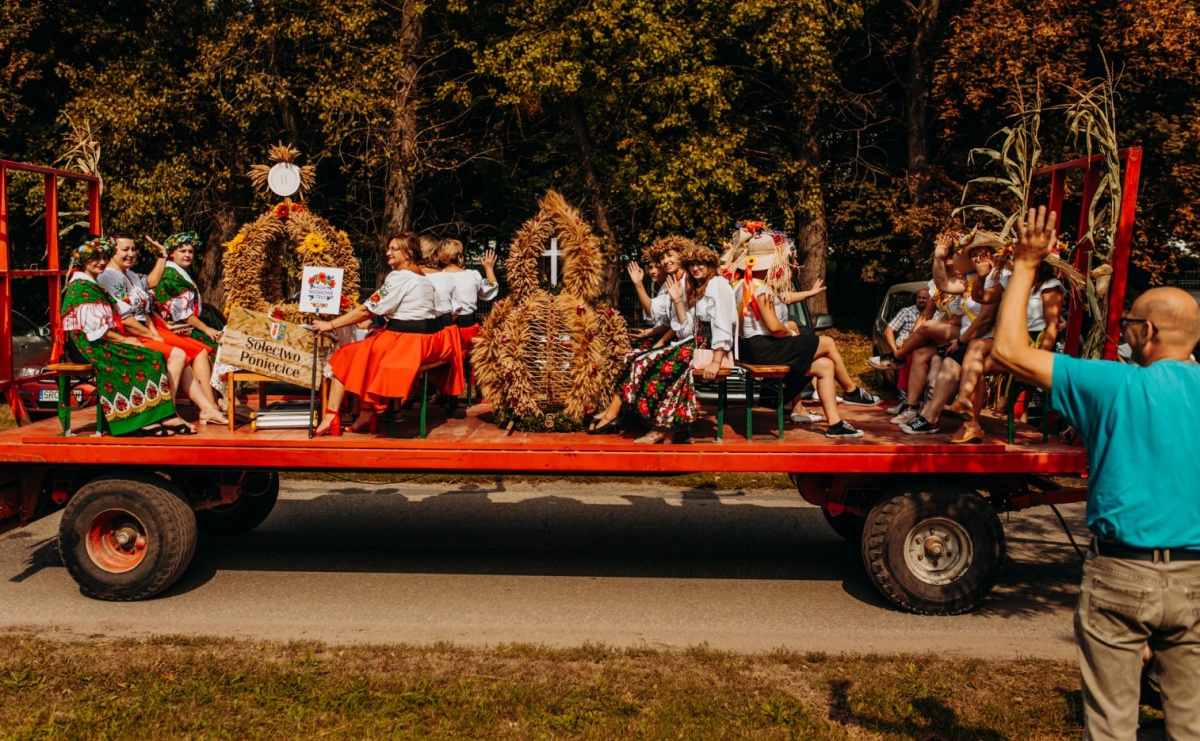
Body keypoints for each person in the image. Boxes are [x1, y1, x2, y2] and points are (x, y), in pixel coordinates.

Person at [993, 206, 1200, 740]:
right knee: (1192, 724)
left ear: (1147, 330)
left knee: (1111, 725)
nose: (1125, 329)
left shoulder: (1111, 385)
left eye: (1129, 321)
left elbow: (1010, 350)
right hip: (1197, 576)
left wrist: (1026, 263)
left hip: (1122, 572)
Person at [312, 232, 463, 435]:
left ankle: (332, 416)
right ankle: (366, 412)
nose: (388, 252)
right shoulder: (422, 277)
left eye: (394, 249)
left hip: (405, 341)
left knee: (343, 355)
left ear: (409, 253)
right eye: (388, 248)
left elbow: (367, 309)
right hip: (424, 340)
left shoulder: (400, 277)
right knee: (366, 352)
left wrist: (329, 325)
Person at [730, 234, 873, 438]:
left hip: (752, 348)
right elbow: (774, 327)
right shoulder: (760, 290)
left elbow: (782, 299)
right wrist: (790, 332)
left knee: (825, 366)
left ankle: (835, 424)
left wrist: (809, 294)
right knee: (828, 342)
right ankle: (851, 391)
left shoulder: (745, 285)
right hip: (763, 348)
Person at [588, 244, 734, 444]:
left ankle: (661, 427)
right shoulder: (699, 286)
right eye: (692, 264)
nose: (695, 268)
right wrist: (676, 301)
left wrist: (716, 361)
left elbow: (723, 323)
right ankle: (659, 426)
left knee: (650, 364)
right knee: (642, 360)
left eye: (700, 264)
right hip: (693, 343)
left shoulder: (717, 284)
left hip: (706, 347)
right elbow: (685, 327)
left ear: (711, 265)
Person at [97, 231, 226, 428]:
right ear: (111, 251)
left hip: (146, 325)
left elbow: (150, 285)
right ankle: (171, 412)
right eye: (125, 249)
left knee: (197, 351)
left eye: (133, 249)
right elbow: (124, 316)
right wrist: (153, 334)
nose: (131, 253)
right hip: (129, 331)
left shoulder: (129, 274)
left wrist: (161, 256)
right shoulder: (108, 276)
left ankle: (208, 408)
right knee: (180, 354)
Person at [60, 237, 186, 436]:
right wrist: (127, 340)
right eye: (95, 258)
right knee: (147, 357)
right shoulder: (81, 288)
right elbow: (96, 330)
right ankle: (134, 421)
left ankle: (149, 416)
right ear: (83, 261)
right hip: (88, 346)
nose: (101, 262)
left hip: (99, 341)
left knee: (152, 355)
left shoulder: (92, 284)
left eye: (104, 257)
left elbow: (120, 311)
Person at [945, 258, 1062, 443]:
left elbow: (1052, 327)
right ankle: (965, 402)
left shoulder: (1049, 286)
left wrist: (1039, 358)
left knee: (976, 369)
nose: (1012, 263)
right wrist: (981, 278)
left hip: (1032, 344)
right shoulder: (1010, 281)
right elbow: (981, 297)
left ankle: (971, 423)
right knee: (976, 348)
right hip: (1008, 339)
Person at [151, 231, 221, 359]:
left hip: (187, 326)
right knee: (215, 351)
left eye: (190, 251)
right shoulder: (170, 275)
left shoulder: (180, 273)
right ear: (171, 253)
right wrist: (206, 329)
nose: (187, 255)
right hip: (176, 329)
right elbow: (183, 314)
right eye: (183, 251)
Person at [434, 239, 499, 347]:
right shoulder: (473, 275)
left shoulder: (437, 277)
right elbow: (492, 286)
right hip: (470, 329)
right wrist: (489, 268)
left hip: (445, 330)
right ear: (459, 258)